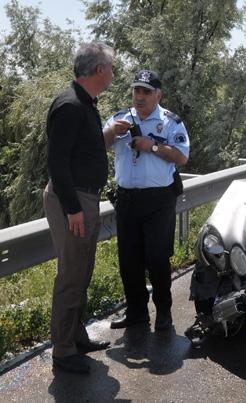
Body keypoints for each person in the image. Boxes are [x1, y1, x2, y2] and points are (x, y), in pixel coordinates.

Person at [44, 42, 114, 374]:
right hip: (71, 200)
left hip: (85, 198)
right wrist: (73, 209)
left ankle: (77, 336)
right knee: (71, 274)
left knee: (83, 270)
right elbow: (56, 163)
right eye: (111, 68)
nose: (113, 73)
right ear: (99, 70)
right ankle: (63, 350)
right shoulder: (70, 105)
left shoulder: (85, 102)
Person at [103, 70, 189, 332]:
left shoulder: (170, 121)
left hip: (158, 201)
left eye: (146, 91)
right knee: (129, 260)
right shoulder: (119, 119)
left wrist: (151, 146)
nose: (140, 97)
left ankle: (164, 311)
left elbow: (182, 157)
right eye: (136, 91)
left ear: (158, 95)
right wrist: (109, 132)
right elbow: (96, 145)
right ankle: (137, 313)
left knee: (157, 258)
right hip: (127, 200)